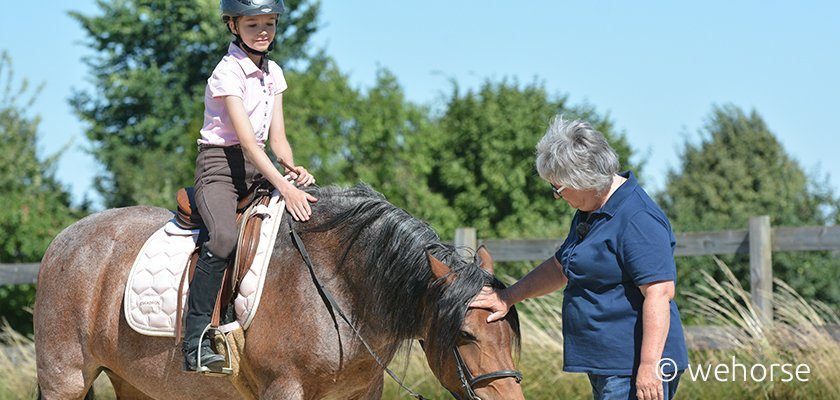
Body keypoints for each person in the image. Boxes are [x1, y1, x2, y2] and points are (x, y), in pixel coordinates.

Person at [470, 117, 689, 400]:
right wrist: (507, 296)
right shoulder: (591, 212)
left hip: (631, 366)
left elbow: (660, 293)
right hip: (607, 365)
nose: (556, 197)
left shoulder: (637, 217)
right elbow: (561, 267)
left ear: (583, 180)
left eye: (558, 188)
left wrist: (649, 366)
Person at [183, 0, 317, 372]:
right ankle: (195, 342)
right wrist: (283, 186)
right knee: (224, 237)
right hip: (219, 168)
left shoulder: (274, 72)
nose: (262, 32)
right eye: (253, 24)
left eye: (269, 24)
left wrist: (292, 168)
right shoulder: (227, 73)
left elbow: (277, 140)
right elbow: (246, 142)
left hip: (258, 169)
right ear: (233, 26)